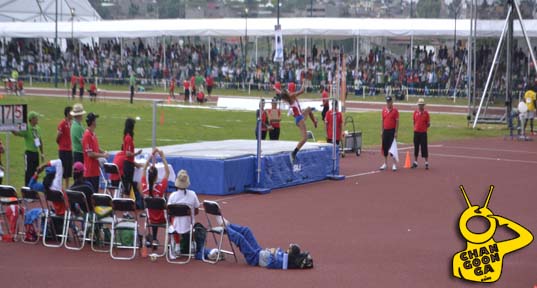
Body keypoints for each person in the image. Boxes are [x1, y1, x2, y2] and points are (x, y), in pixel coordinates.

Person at [273, 81, 318, 163]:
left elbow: (281, 92)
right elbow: (302, 91)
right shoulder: (291, 96)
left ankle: (314, 121)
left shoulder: (286, 96)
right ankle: (294, 153)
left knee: (308, 109)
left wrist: (276, 89)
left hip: (300, 116)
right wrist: (304, 83)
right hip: (299, 119)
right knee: (304, 138)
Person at [167, 169, 202, 259]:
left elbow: (169, 211)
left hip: (175, 225)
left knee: (172, 219)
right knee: (192, 223)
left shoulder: (172, 196)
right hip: (189, 224)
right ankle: (193, 244)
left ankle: (177, 245)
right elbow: (197, 211)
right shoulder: (193, 194)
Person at [139, 148, 170, 248]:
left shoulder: (144, 188)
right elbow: (167, 172)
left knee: (153, 211)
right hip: (162, 218)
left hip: (150, 218)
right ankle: (174, 242)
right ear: (157, 177)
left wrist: (150, 156)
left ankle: (154, 238)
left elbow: (143, 169)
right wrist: (162, 157)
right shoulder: (160, 189)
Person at [12, 111, 45, 186]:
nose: (37, 119)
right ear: (32, 119)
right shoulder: (26, 128)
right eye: (36, 118)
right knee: (28, 172)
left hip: (36, 153)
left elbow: (40, 141)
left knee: (36, 171)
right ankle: (27, 188)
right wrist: (11, 128)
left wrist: (42, 153)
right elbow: (17, 133)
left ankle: (34, 187)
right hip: (29, 153)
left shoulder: (38, 128)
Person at [82, 112, 109, 191]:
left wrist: (103, 152)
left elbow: (96, 148)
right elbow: (90, 154)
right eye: (95, 120)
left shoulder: (93, 134)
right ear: (93, 122)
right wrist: (103, 155)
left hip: (95, 170)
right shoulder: (87, 135)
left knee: (95, 192)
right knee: (91, 195)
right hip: (90, 171)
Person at [122, 118, 142, 197]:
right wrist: (137, 153)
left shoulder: (126, 136)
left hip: (128, 163)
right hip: (128, 164)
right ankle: (126, 203)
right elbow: (128, 153)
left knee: (128, 185)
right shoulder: (129, 138)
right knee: (128, 186)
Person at [380, 96, 399, 171]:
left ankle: (394, 164)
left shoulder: (395, 111)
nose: (388, 103)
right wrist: (381, 131)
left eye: (389, 101)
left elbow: (397, 122)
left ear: (392, 102)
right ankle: (385, 163)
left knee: (392, 148)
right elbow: (382, 121)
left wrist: (396, 132)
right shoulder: (384, 110)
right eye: (387, 102)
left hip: (392, 131)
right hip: (385, 131)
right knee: (385, 147)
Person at [57, 106, 73, 190]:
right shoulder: (62, 123)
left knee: (68, 168)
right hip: (63, 149)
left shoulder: (71, 123)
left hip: (69, 149)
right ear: (67, 114)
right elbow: (58, 136)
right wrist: (61, 143)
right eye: (71, 112)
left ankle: (67, 187)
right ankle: (60, 186)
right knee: (62, 168)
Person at [412, 98, 430, 169]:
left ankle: (426, 162)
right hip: (416, 132)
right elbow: (414, 122)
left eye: (422, 105)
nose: (420, 106)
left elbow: (428, 123)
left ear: (423, 105)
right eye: (419, 105)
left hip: (423, 133)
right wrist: (416, 128)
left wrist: (427, 125)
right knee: (416, 147)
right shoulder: (415, 113)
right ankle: (415, 162)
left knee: (424, 147)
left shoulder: (426, 113)